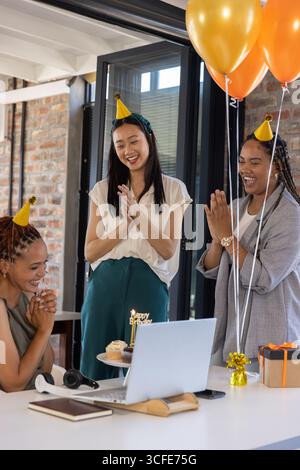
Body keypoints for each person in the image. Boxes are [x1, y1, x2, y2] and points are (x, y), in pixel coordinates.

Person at [80, 95, 192, 380]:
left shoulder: (174, 189)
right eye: (120, 145)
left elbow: (167, 249)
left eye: (134, 141)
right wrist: (123, 225)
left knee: (146, 367)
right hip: (104, 283)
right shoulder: (102, 189)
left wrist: (138, 213)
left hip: (149, 282)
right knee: (95, 363)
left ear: (149, 140)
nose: (127, 150)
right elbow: (90, 252)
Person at [197, 116, 300, 367]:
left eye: (255, 162)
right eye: (242, 161)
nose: (245, 169)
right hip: (231, 335)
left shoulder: (291, 215)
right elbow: (213, 270)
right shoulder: (236, 207)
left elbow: (263, 279)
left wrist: (227, 237)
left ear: (276, 166)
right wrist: (216, 240)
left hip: (270, 342)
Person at [0, 197, 57, 392]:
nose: (42, 273)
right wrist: (43, 331)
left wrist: (43, 324)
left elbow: (46, 367)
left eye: (44, 264)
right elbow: (13, 384)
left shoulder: (26, 298)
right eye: (34, 267)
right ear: (5, 265)